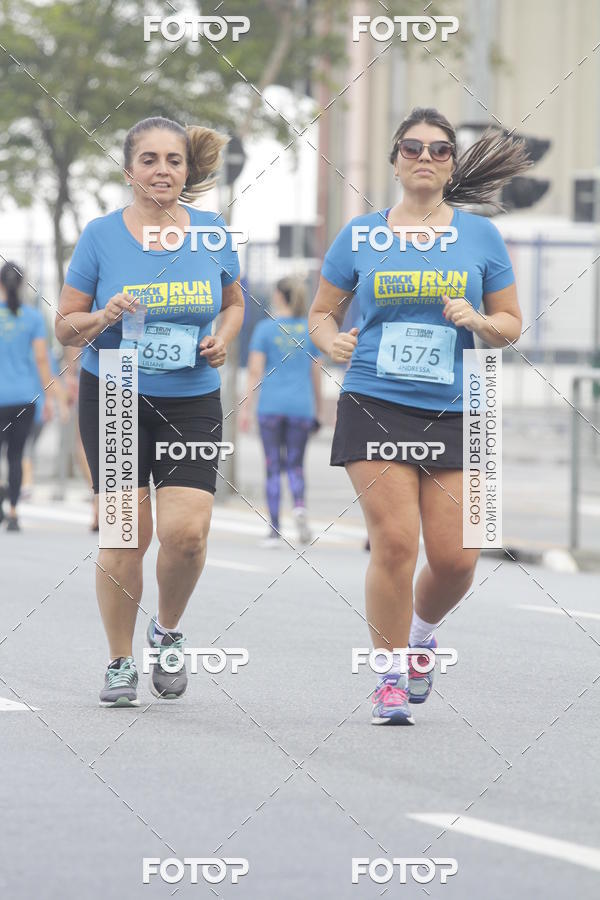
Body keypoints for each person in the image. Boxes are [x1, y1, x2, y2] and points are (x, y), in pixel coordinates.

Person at [309, 107, 527, 725]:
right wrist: (333, 343)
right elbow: (322, 314)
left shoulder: (479, 237)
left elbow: (511, 324)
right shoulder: (361, 234)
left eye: (437, 149)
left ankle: (422, 634)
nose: (424, 157)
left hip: (460, 407)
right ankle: (387, 675)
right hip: (375, 399)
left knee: (459, 558)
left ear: (451, 163)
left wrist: (480, 322)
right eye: (412, 147)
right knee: (397, 542)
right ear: (395, 160)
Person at [56, 116, 244, 707]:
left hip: (190, 394)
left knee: (186, 535)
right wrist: (104, 315)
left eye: (174, 160)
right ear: (129, 169)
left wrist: (225, 338)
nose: (162, 170)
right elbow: (65, 326)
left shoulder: (213, 232)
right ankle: (118, 662)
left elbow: (234, 303)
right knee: (125, 533)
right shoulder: (100, 236)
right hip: (113, 389)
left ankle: (166, 631)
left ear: (188, 171)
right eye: (150, 160)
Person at [240, 277, 322, 546]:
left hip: (271, 406)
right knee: (297, 466)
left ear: (277, 296)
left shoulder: (265, 329)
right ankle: (299, 506)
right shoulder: (310, 330)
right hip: (301, 407)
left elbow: (254, 371)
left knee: (272, 466)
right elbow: (316, 374)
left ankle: (274, 529)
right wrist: (318, 409)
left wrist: (245, 408)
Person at [0, 263, 66, 531]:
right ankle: (14, 512)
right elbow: (41, 361)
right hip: (24, 399)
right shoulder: (33, 318)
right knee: (16, 455)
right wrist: (51, 398)